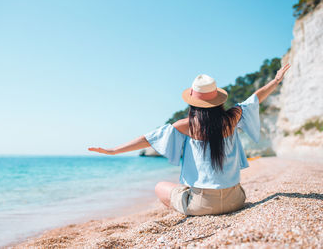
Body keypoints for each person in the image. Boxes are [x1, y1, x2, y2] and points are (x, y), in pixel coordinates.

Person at [88, 63, 291, 216]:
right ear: (217, 100)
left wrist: (113, 150)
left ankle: (187, 208)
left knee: (160, 187)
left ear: (193, 101)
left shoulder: (185, 125)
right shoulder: (232, 117)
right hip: (236, 200)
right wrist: (276, 81)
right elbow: (255, 97)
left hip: (203, 206)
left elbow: (147, 139)